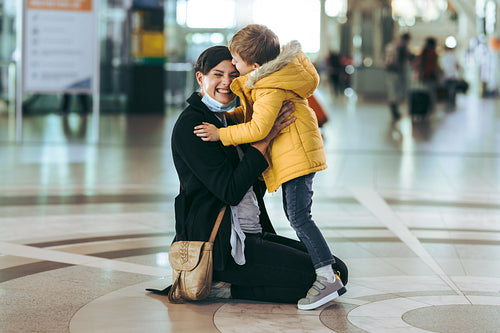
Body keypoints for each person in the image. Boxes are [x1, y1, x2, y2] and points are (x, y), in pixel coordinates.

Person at [157, 45, 348, 306]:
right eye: (217, 74)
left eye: (233, 75)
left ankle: (236, 284)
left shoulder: (233, 121)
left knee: (336, 270)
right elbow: (230, 190)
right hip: (223, 246)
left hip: (252, 232)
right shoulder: (194, 125)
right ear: (201, 78)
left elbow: (252, 180)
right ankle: (226, 287)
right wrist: (265, 140)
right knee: (314, 277)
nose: (226, 82)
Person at [384, 32, 414, 120]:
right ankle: (395, 111)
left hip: (390, 71)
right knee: (396, 92)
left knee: (393, 92)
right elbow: (407, 58)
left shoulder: (392, 44)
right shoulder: (401, 47)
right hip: (396, 72)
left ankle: (395, 111)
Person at [416, 37, 440, 111]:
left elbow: (420, 64)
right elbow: (435, 66)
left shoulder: (424, 52)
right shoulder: (433, 53)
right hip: (431, 75)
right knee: (431, 93)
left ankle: (424, 107)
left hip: (424, 75)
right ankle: (430, 107)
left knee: (425, 92)